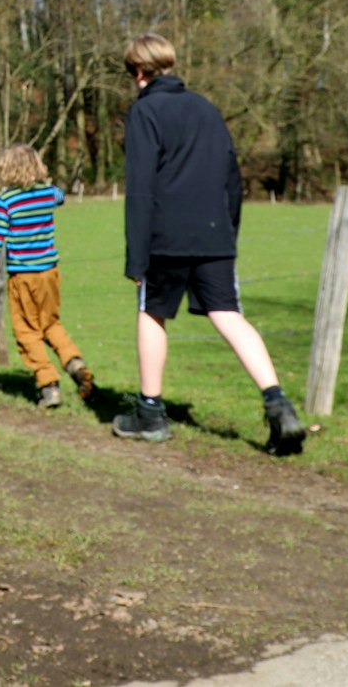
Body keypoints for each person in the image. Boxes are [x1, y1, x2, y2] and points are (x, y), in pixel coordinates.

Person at [113, 34, 306, 454]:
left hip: (166, 236)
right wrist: (227, 234)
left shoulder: (144, 112)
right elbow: (232, 180)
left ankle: (150, 413)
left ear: (139, 72)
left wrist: (136, 256)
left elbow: (141, 189)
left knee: (152, 312)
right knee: (229, 315)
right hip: (216, 232)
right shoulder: (207, 108)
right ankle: (278, 403)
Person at [0, 143, 93, 409]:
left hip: (23, 277)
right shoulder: (47, 194)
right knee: (51, 323)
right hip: (50, 273)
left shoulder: (5, 200)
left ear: (8, 169)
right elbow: (61, 196)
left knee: (26, 331)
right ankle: (75, 364)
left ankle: (48, 385)